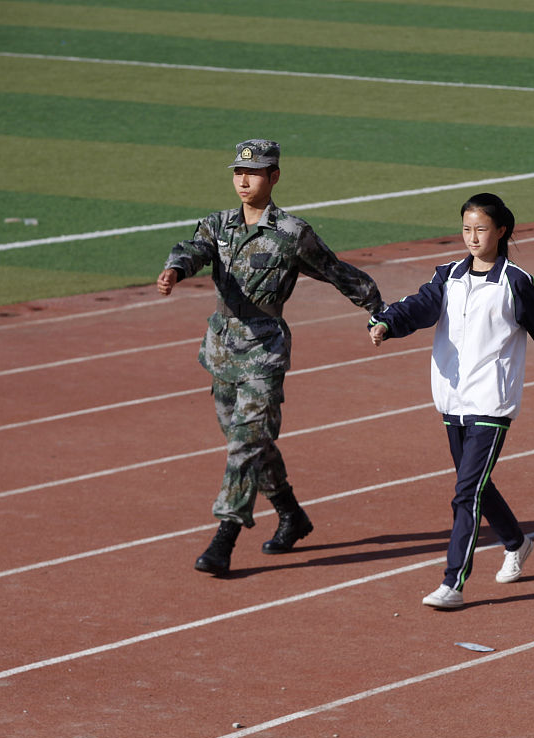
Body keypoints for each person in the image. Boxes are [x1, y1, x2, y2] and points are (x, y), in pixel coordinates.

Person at [157, 139, 386, 576]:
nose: (244, 181)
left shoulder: (292, 233)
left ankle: (225, 535)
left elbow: (335, 271)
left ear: (274, 177)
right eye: (238, 172)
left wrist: (378, 309)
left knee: (245, 443)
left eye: (255, 173)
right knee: (250, 443)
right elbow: (194, 249)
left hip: (264, 350)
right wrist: (175, 270)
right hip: (222, 349)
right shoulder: (218, 224)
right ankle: (292, 515)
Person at [368, 192, 534, 609]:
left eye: (481, 230)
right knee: (477, 487)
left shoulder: (514, 282)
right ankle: (517, 542)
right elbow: (418, 307)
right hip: (452, 397)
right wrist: (386, 323)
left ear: (501, 231)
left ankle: (453, 583)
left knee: (465, 492)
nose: (472, 237)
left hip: (491, 400)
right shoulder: (448, 276)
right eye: (466, 229)